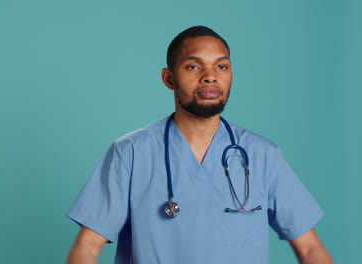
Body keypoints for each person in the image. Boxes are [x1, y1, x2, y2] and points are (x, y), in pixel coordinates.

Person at [66, 26, 333, 264]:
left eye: (221, 66)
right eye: (193, 66)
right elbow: (87, 247)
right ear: (169, 78)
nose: (210, 76)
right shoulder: (131, 153)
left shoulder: (262, 155)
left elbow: (309, 248)